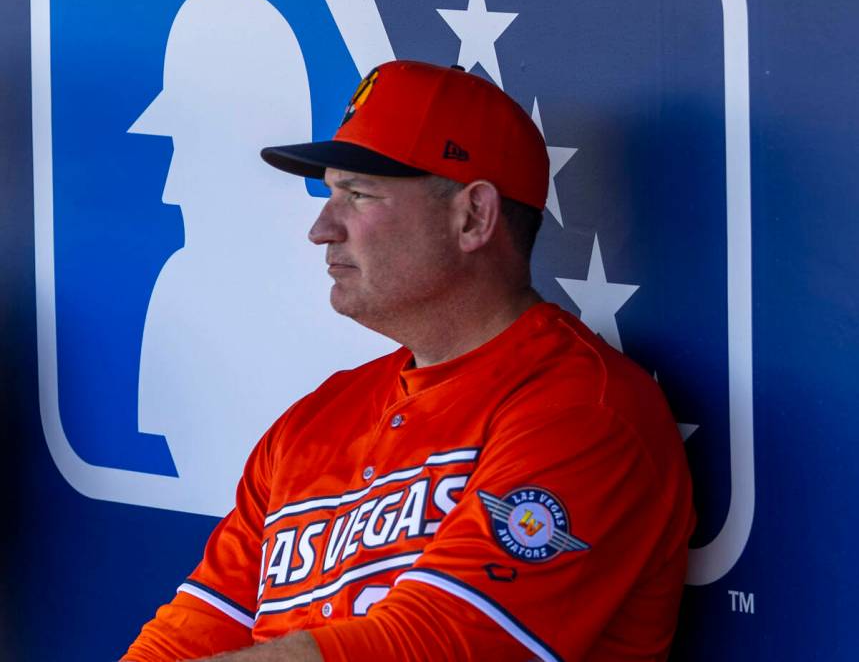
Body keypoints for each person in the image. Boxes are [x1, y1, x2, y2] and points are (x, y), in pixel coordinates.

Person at [122, 60, 695, 662]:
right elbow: (186, 635)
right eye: (329, 193)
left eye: (358, 194)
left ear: (472, 217)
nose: (322, 228)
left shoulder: (583, 413)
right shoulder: (312, 424)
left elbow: (432, 646)